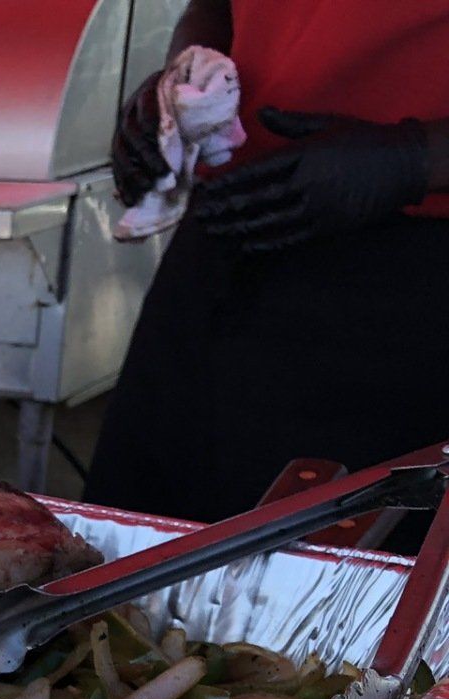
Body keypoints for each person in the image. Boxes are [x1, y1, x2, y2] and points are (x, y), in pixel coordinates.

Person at [86, 0, 449, 523]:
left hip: (412, 279)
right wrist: (183, 83)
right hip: (226, 236)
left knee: (339, 583)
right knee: (128, 554)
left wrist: (418, 158)